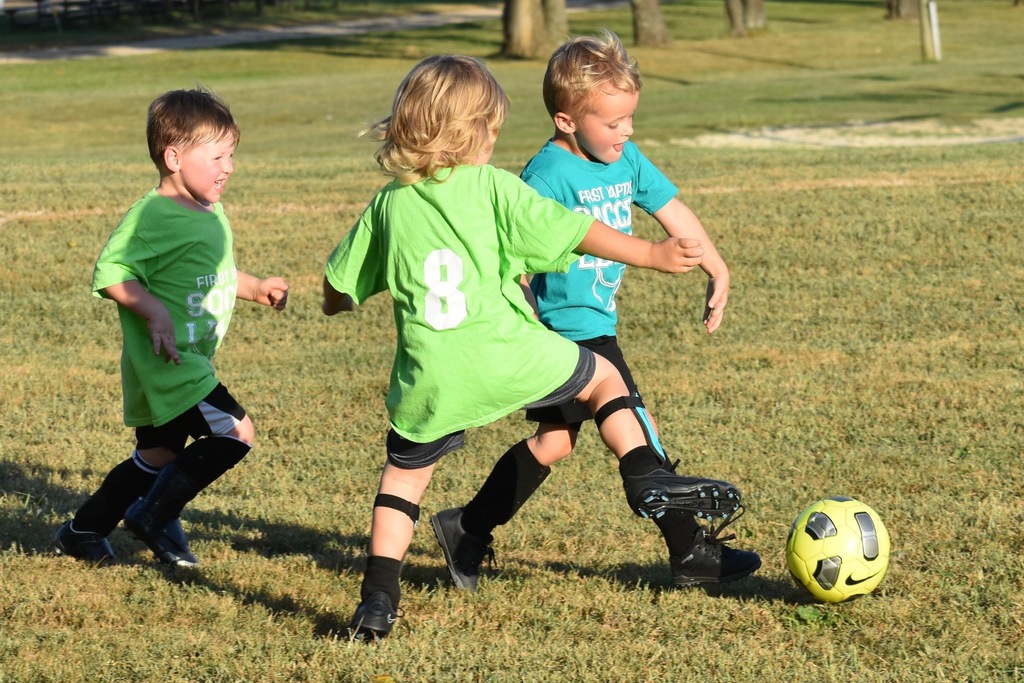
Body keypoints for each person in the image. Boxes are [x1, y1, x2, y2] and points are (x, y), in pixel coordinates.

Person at [322, 54, 742, 641]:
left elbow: (338, 288)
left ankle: (382, 595)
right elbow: (572, 232)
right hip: (527, 344)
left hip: (432, 376)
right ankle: (664, 509)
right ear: (472, 133)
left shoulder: (390, 203)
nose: (497, 140)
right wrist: (652, 254)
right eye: (491, 129)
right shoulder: (509, 183)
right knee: (609, 389)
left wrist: (336, 302)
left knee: (419, 477)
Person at [430, 30, 760, 593]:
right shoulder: (546, 175)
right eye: (613, 123)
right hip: (561, 330)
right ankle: (690, 552)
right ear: (566, 121)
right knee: (631, 423)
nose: (626, 131)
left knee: (555, 442)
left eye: (629, 118)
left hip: (596, 324)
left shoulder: (624, 157)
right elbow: (511, 253)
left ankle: (468, 526)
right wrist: (521, 319)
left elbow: (670, 208)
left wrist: (717, 265)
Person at [53, 87, 289, 568]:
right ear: (174, 156)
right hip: (171, 360)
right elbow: (111, 274)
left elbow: (209, 276)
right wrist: (155, 311)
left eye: (231, 155)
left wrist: (255, 286)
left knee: (157, 458)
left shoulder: (207, 210)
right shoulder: (151, 216)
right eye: (218, 155)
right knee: (235, 432)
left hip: (179, 359)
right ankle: (155, 516)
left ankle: (84, 530)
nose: (228, 167)